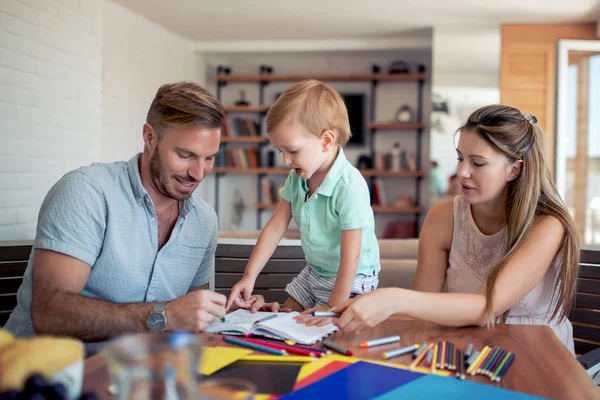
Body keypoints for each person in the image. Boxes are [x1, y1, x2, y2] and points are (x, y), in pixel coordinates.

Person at [4, 82, 276, 354]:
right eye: (185, 155)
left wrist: (229, 315)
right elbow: (51, 315)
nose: (198, 173)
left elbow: (190, 313)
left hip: (140, 375)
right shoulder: (87, 192)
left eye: (209, 158)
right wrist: (163, 315)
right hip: (43, 375)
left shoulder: (203, 221)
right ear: (149, 137)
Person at [331, 105, 579, 354]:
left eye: (478, 163)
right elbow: (422, 311)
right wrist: (350, 314)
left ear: (514, 169)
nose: (461, 172)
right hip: (468, 351)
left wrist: (393, 299)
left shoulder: (547, 225)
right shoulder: (442, 218)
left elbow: (486, 308)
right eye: (460, 158)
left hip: (539, 356)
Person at [225, 80, 380, 325]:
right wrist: (249, 275)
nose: (286, 160)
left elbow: (352, 255)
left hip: (353, 278)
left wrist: (333, 308)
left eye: (293, 150)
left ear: (326, 141)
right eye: (280, 151)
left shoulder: (350, 186)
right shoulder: (296, 179)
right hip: (315, 272)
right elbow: (275, 227)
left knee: (336, 328)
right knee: (289, 316)